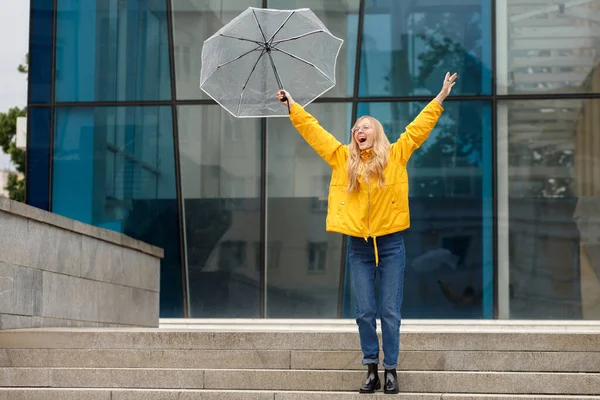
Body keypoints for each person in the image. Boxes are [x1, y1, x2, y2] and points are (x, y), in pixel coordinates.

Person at [276, 72, 457, 394]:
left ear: (377, 133)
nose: (360, 130)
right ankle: (371, 368)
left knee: (389, 311)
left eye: (365, 126)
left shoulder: (396, 155)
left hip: (391, 245)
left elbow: (419, 128)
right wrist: (293, 107)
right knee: (364, 312)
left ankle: (391, 370)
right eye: (356, 128)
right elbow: (314, 132)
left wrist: (440, 96)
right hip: (359, 247)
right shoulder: (342, 159)